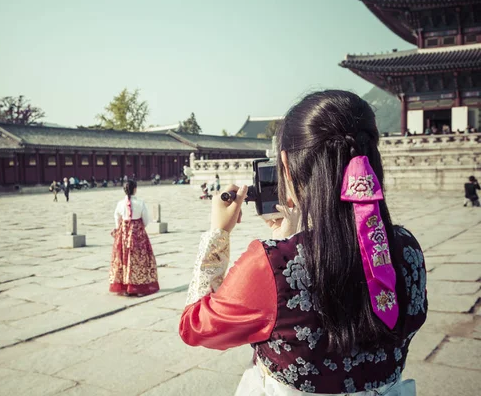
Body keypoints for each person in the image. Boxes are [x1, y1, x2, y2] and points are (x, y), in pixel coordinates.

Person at [179, 90, 426, 396]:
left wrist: (219, 234)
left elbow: (196, 327)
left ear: (286, 162)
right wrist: (287, 241)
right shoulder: (407, 249)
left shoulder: (271, 265)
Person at [109, 180, 159, 296]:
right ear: (135, 189)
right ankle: (138, 286)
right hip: (137, 232)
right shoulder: (140, 203)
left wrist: (119, 227)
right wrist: (140, 227)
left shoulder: (120, 203)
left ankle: (125, 286)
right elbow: (146, 219)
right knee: (138, 259)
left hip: (123, 233)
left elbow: (116, 216)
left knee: (124, 258)